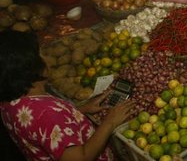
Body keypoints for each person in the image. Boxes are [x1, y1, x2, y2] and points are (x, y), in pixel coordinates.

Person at [0, 30, 135, 161]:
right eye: (42, 55)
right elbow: (81, 157)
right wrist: (110, 122)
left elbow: (45, 129)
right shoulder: (47, 114)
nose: (47, 59)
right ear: (32, 67)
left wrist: (79, 111)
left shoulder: (10, 103)